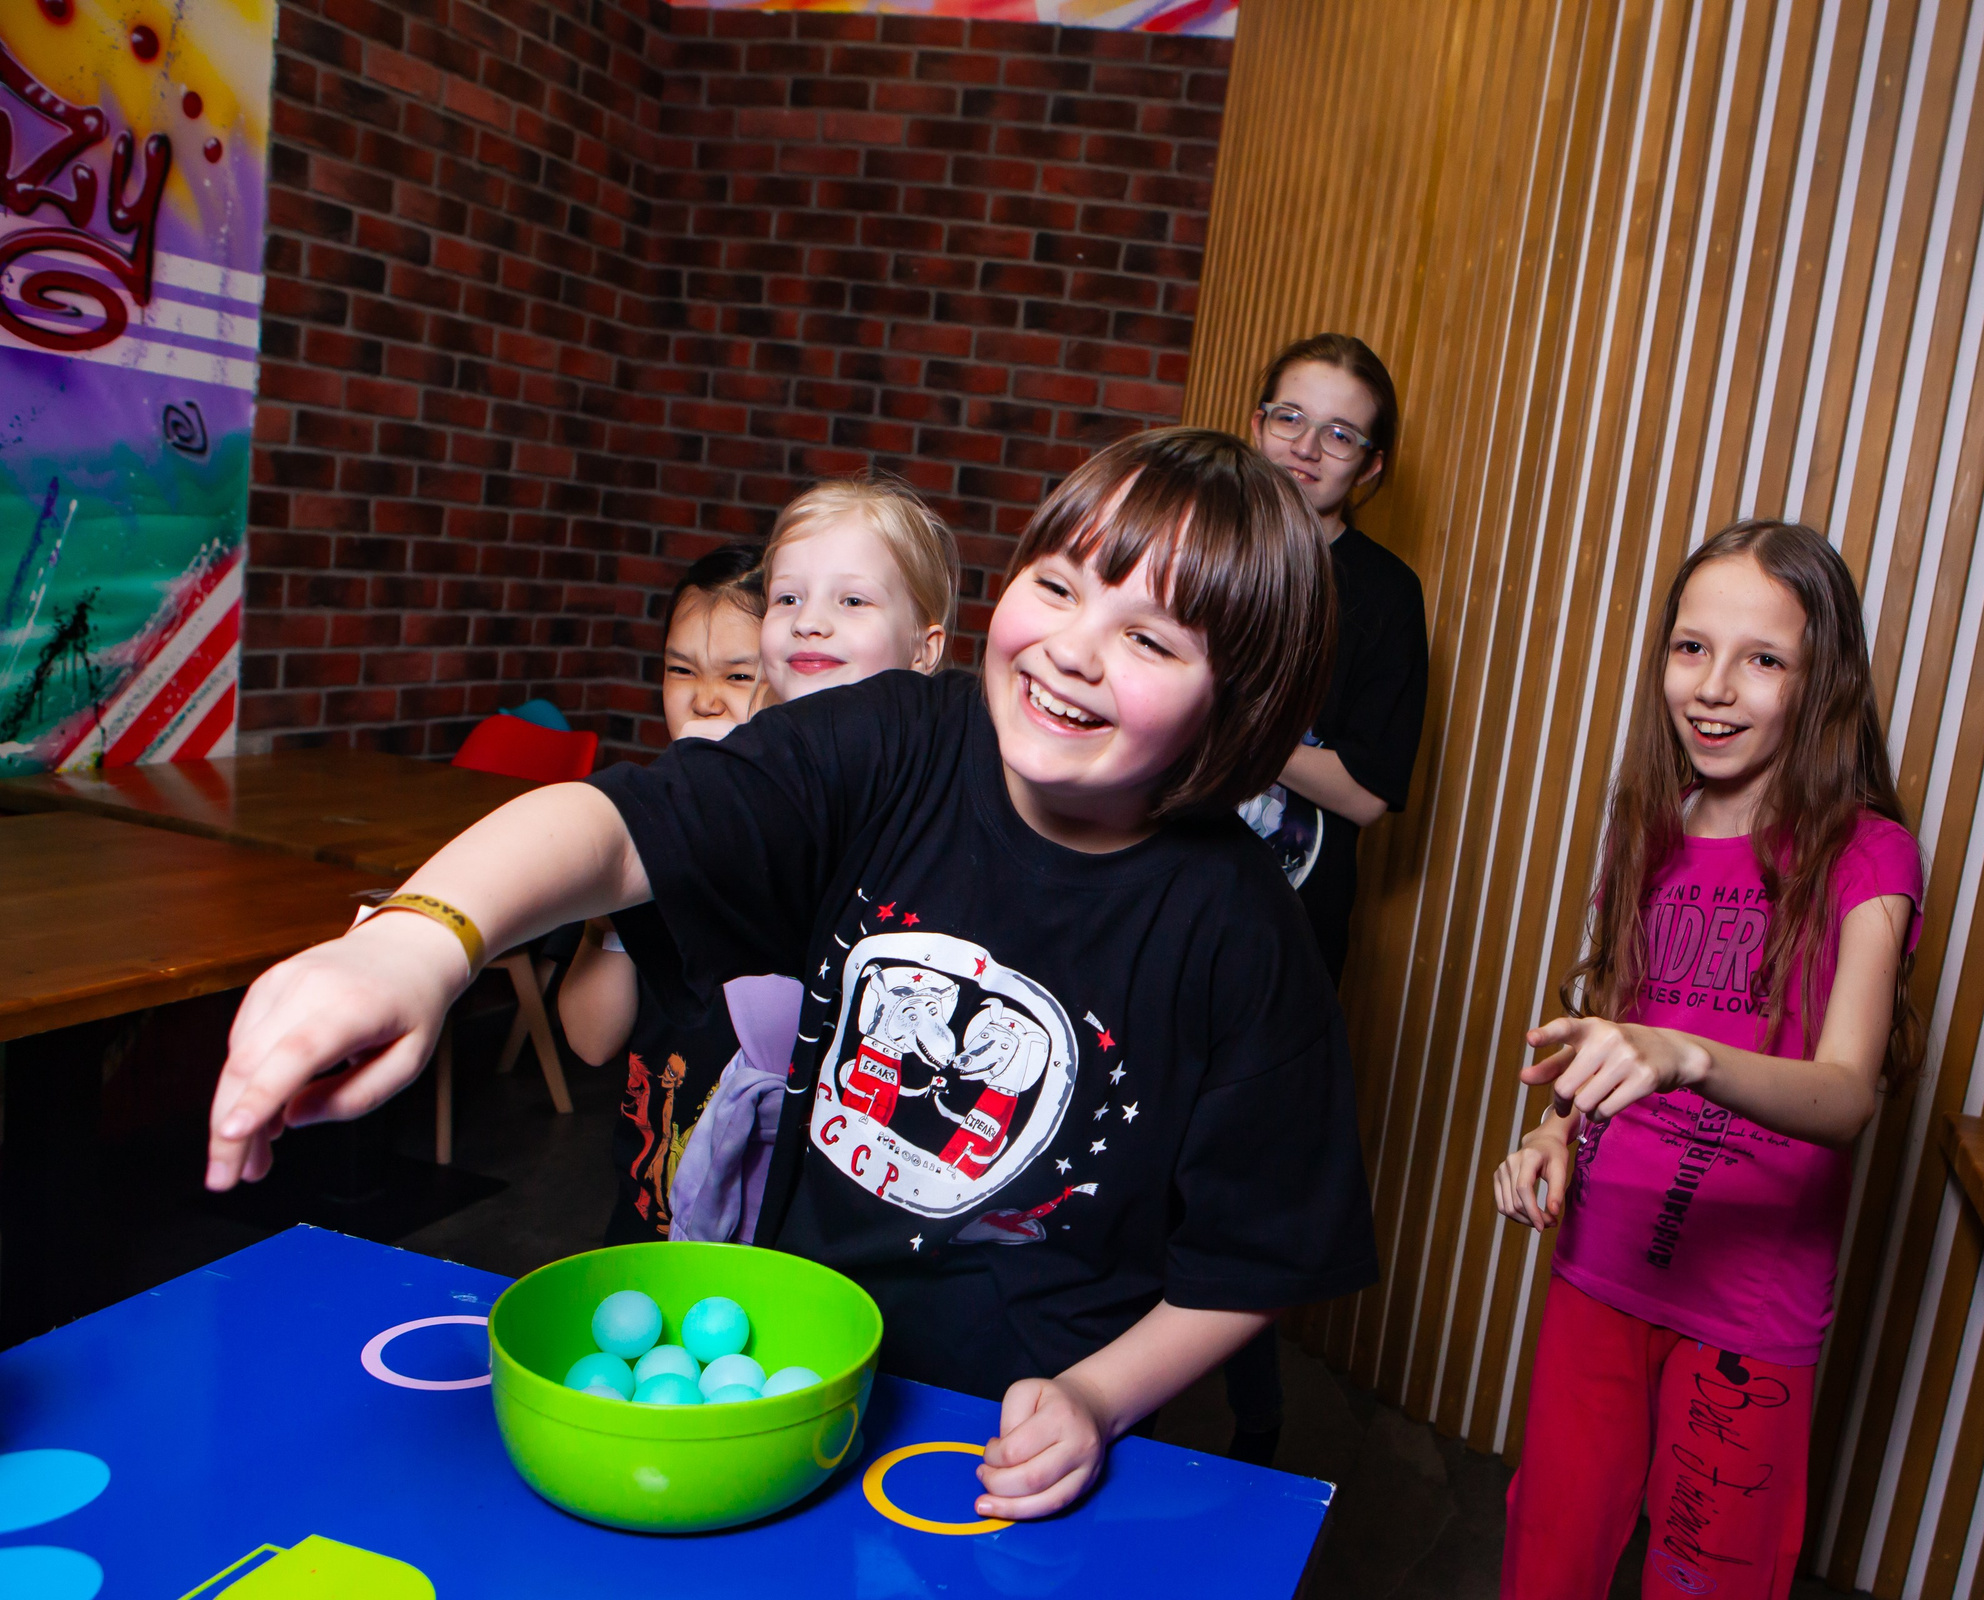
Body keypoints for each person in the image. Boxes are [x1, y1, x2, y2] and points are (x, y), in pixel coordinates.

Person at [205, 428, 1379, 1523]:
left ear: (1242, 705)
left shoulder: (1243, 935)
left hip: (998, 1436)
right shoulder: (894, 740)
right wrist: (414, 941)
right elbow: (624, 826)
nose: (1071, 649)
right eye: (1059, 586)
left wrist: (1096, 1399)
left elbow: (1257, 1260)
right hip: (792, 1368)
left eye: (1149, 639)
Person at [1484, 520, 1925, 1600]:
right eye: (1690, 648)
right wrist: (1553, 1136)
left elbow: (1843, 1097)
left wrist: (1690, 1055)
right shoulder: (1649, 825)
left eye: (1760, 659)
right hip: (1600, 1272)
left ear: (1820, 678)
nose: (1714, 689)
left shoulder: (1867, 856)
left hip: (1748, 1315)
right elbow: (1615, 1032)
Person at [556, 479, 959, 1242]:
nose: (705, 699)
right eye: (681, 671)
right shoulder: (681, 825)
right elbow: (590, 1037)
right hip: (656, 1199)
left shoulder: (897, 829)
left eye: (735, 676)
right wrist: (623, 876)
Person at [1227, 332, 1432, 1466]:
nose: (1306, 448)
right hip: (1150, 894)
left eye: (1338, 432)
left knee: (1236, 1184)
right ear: (1255, 422)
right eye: (1288, 417)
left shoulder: (1384, 597)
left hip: (1285, 929)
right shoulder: (1198, 541)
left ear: (1373, 466)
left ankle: (1252, 1430)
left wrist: (1236, 709)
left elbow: (1363, 796)